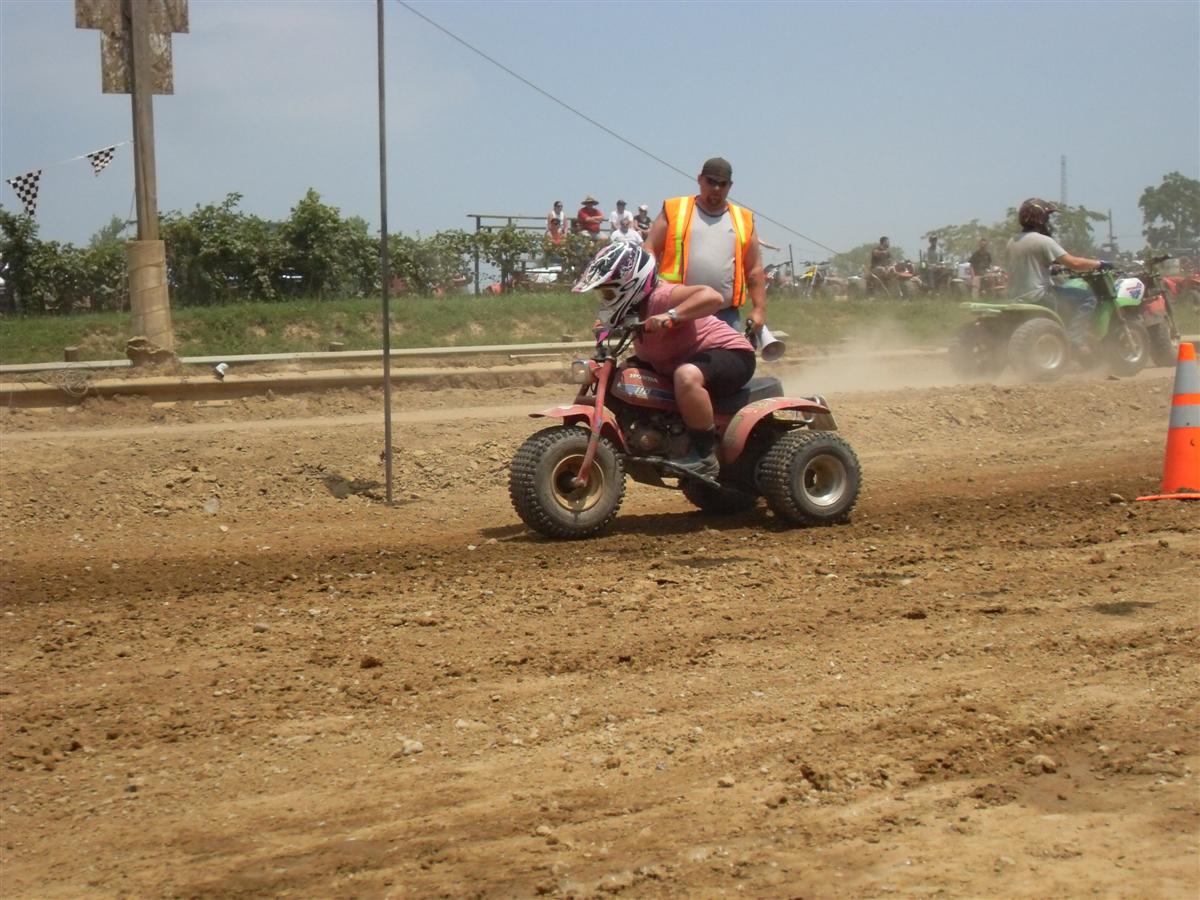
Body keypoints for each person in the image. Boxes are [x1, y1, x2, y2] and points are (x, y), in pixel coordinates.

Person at [573, 242, 756, 480]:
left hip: (729, 354)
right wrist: (602, 329)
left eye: (608, 292)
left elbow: (713, 297)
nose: (606, 299)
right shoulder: (631, 306)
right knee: (618, 378)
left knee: (686, 376)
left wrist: (671, 316)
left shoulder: (663, 296)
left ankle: (705, 454)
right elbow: (607, 326)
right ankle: (645, 436)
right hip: (672, 361)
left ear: (630, 283)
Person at [644, 157, 767, 331]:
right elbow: (649, 248)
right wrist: (654, 282)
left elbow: (754, 269)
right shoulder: (675, 209)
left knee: (731, 351)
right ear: (700, 179)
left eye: (722, 184)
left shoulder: (743, 219)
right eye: (711, 182)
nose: (716, 188)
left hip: (725, 316)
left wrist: (759, 309)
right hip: (677, 313)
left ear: (730, 186)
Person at [1006, 197, 1112, 349]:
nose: (1048, 221)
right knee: (1088, 298)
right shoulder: (1043, 241)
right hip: (1039, 296)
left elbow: (1029, 265)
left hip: (1016, 296)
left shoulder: (1012, 241)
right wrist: (1100, 263)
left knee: (1064, 291)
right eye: (1047, 217)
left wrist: (1051, 268)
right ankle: (1075, 340)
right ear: (1040, 217)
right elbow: (1074, 263)